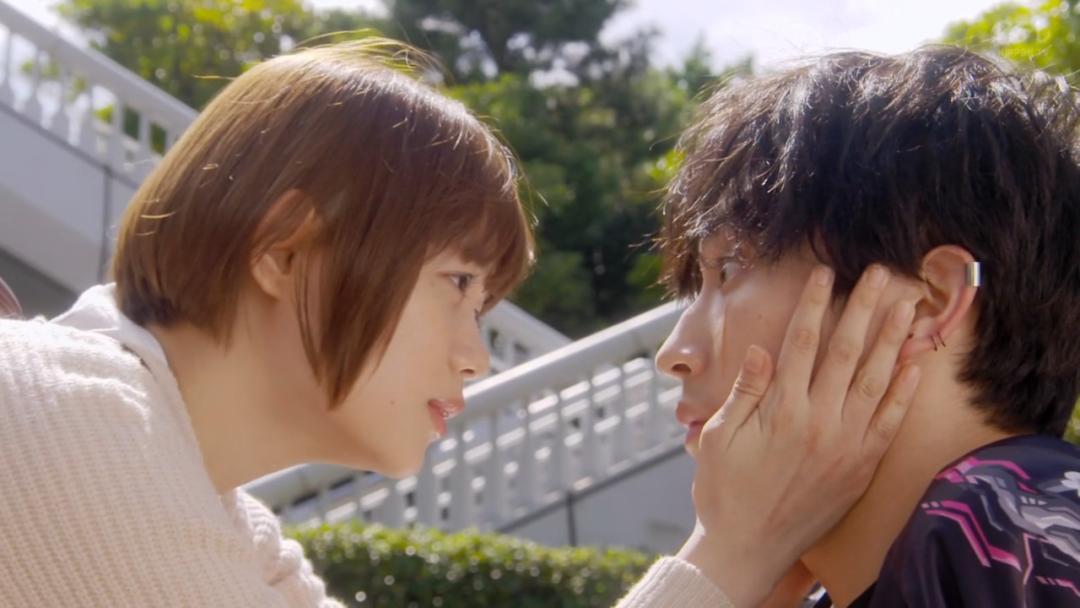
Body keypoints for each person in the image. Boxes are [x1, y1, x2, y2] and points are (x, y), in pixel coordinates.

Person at [0, 39, 914, 607]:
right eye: (458, 283)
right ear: (285, 250)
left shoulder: (217, 514)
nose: (476, 357)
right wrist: (736, 549)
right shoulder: (66, 419)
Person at [650, 46, 1080, 606]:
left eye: (728, 270)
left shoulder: (1014, 531)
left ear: (927, 300)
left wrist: (726, 554)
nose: (674, 353)